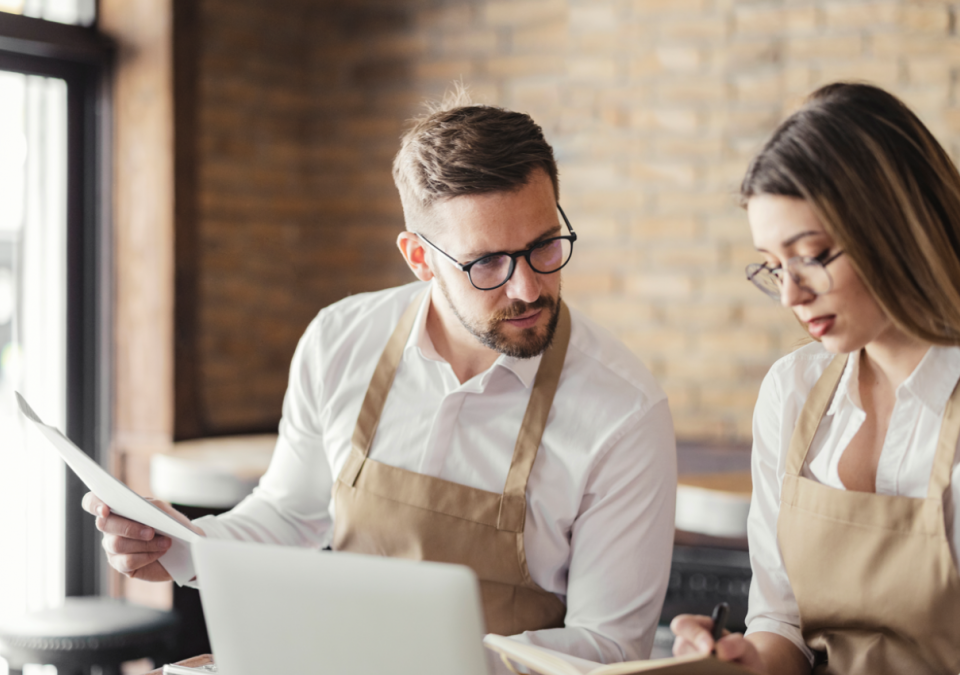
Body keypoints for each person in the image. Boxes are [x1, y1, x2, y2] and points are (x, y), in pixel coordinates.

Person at [83, 93, 678, 667]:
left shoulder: (622, 411)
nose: (527, 288)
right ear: (419, 259)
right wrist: (179, 546)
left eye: (545, 246)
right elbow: (292, 515)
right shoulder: (340, 340)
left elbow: (609, 648)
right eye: (487, 263)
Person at [671, 82, 960, 675]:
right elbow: (782, 626)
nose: (789, 294)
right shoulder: (791, 389)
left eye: (811, 255)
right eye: (773, 266)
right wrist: (732, 660)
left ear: (896, 229)